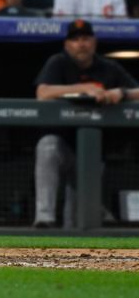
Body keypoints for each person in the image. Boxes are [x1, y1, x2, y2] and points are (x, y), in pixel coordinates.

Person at [33, 19, 139, 228]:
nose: (81, 44)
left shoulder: (108, 67)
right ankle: (44, 218)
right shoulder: (58, 62)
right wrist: (85, 88)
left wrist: (122, 92)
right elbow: (42, 93)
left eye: (85, 39)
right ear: (67, 44)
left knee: (78, 221)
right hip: (62, 145)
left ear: (94, 42)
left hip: (92, 152)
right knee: (47, 145)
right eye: (75, 40)